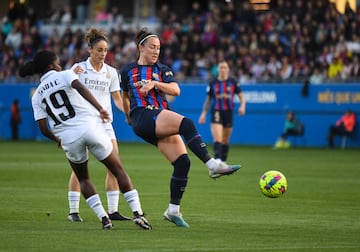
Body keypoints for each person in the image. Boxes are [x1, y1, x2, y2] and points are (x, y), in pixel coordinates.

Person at [120, 28, 241, 228]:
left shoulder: (162, 70)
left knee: (183, 163)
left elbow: (176, 89)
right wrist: (127, 115)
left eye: (159, 47)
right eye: (152, 47)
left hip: (157, 116)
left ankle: (173, 211)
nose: (156, 51)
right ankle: (212, 165)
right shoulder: (127, 71)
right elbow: (125, 95)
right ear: (141, 47)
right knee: (187, 123)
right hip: (142, 115)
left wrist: (155, 84)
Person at [19, 50, 152, 230]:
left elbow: (43, 128)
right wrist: (100, 108)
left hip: (67, 138)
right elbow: (81, 88)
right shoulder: (65, 74)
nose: (59, 64)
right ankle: (138, 213)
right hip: (89, 127)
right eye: (57, 62)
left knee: (83, 178)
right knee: (117, 169)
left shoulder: (36, 95)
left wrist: (56, 138)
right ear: (51, 65)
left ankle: (104, 218)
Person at [67, 27, 130, 223]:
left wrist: (128, 111)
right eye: (99, 50)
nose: (103, 54)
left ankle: (113, 211)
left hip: (104, 123)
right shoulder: (78, 69)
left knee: (114, 164)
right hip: (82, 123)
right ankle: (73, 211)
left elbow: (117, 99)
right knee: (79, 167)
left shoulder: (111, 72)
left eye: (106, 50)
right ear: (90, 49)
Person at [198, 60, 246, 163]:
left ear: (228, 69)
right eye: (221, 67)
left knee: (225, 140)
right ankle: (218, 160)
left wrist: (242, 106)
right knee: (218, 138)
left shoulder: (233, 82)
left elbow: (241, 96)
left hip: (229, 112)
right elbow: (208, 100)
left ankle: (223, 162)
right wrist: (203, 114)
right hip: (217, 111)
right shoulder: (213, 83)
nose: (223, 69)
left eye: (225, 67)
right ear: (218, 69)